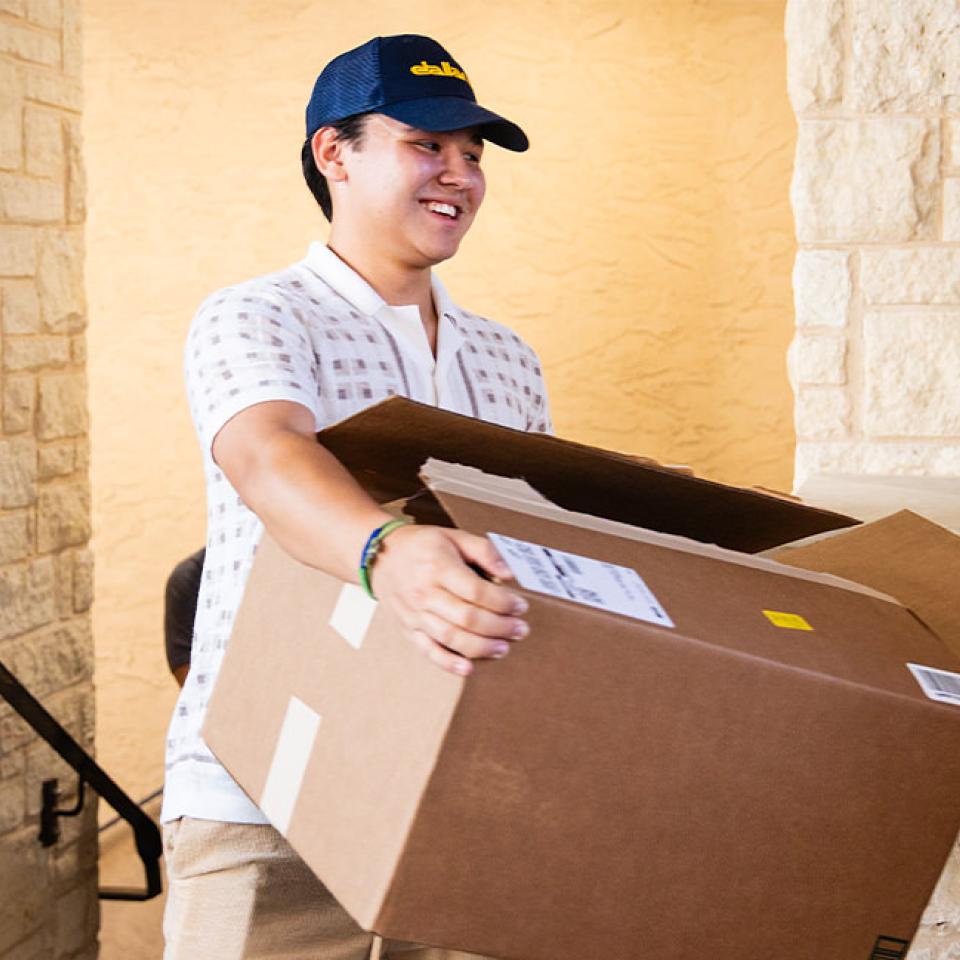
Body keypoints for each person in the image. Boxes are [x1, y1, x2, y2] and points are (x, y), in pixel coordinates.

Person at [160, 33, 551, 960]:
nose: (458, 173)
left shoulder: (506, 357)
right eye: (427, 145)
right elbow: (267, 453)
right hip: (266, 810)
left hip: (457, 808)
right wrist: (386, 551)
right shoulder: (258, 315)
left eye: (472, 154)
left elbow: (532, 548)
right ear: (335, 154)